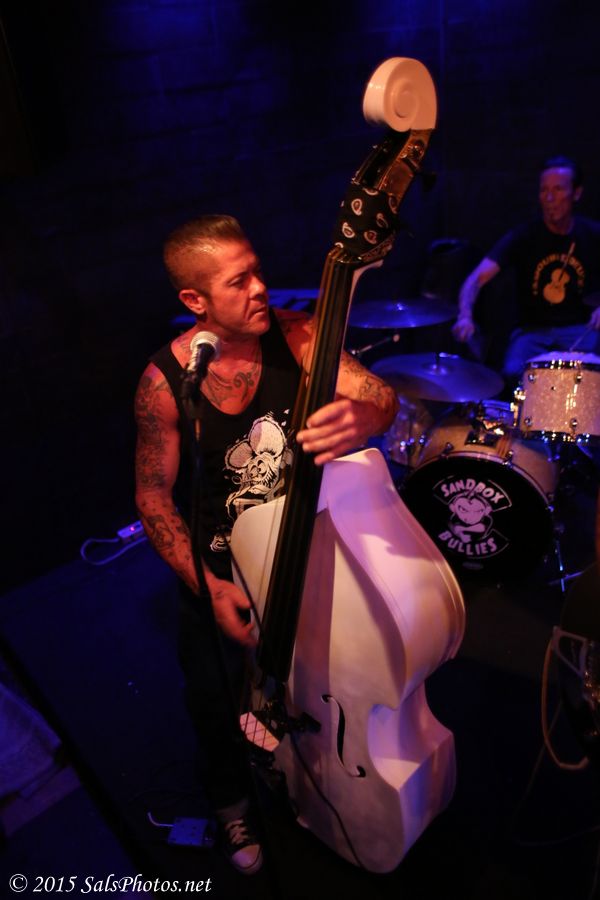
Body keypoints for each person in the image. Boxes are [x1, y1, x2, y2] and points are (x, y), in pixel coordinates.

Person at [134, 214, 398, 875]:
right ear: (194, 300)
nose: (260, 287)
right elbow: (153, 498)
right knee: (213, 695)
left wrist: (365, 415)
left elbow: (381, 397)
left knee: (326, 677)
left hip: (302, 552)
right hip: (219, 569)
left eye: (257, 270)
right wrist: (208, 586)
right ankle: (231, 806)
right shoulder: (165, 382)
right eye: (238, 281)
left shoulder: (299, 335)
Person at [452, 156, 600, 388]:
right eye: (544, 190)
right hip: (532, 332)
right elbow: (476, 279)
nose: (549, 198)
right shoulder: (524, 235)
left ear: (576, 193)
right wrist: (464, 316)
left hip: (580, 330)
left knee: (590, 375)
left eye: (558, 189)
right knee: (513, 373)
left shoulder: (592, 234)